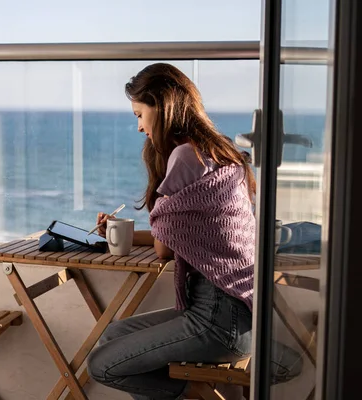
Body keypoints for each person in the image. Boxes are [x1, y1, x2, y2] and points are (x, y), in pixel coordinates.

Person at [86, 63, 301, 399]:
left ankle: (197, 393)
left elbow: (164, 250)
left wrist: (156, 203)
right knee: (114, 335)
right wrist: (119, 232)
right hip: (232, 310)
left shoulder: (186, 156)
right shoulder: (220, 150)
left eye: (140, 115)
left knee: (102, 365)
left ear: (163, 107)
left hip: (216, 320)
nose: (140, 127)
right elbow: (189, 238)